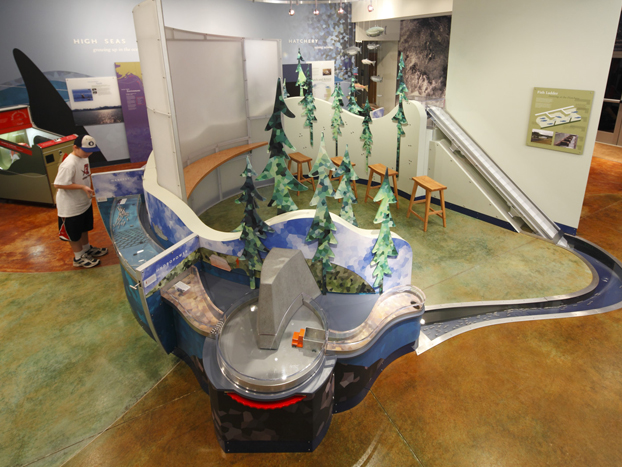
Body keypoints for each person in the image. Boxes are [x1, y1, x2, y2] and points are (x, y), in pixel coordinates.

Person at [54, 134, 108, 268]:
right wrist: (82, 187)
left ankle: (86, 249)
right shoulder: (68, 164)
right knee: (74, 233)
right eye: (85, 150)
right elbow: (58, 184)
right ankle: (79, 257)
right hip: (70, 207)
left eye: (91, 151)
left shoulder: (83, 158)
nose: (89, 153)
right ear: (75, 147)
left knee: (84, 228)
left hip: (83, 202)